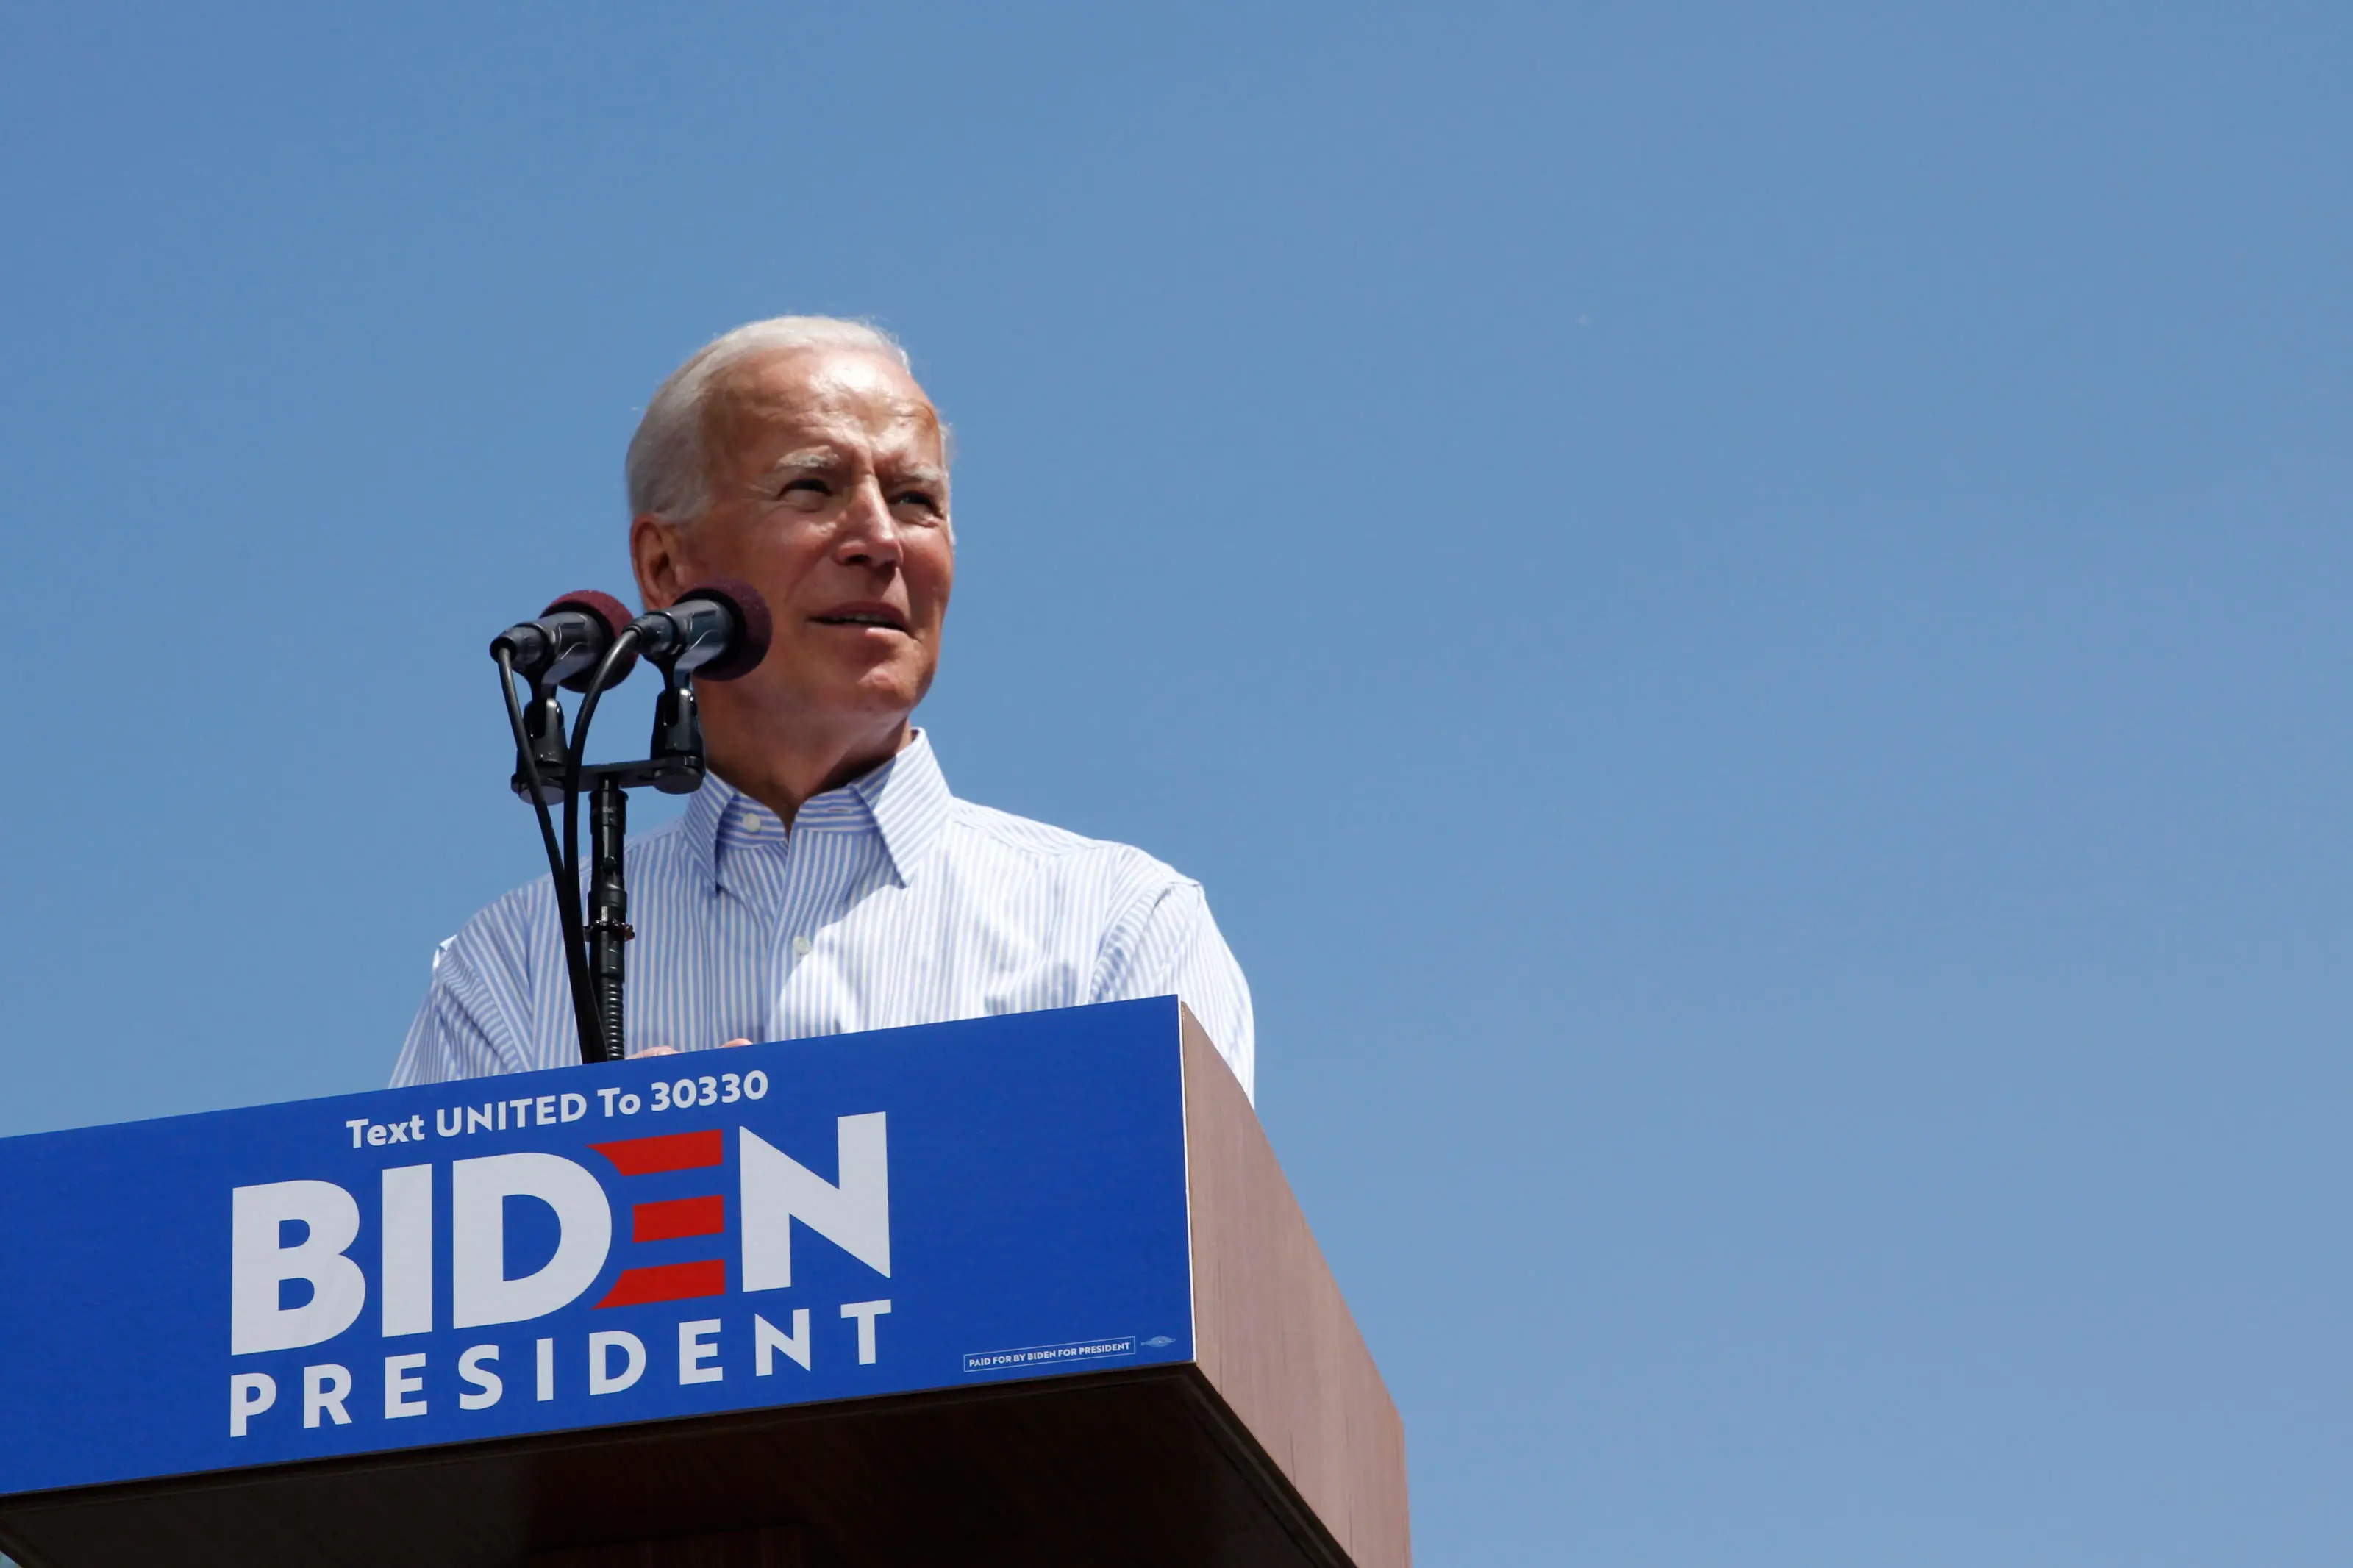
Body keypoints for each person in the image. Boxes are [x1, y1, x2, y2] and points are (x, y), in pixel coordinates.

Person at [391, 317, 1254, 1099]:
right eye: (811, 488)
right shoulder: (513, 970)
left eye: (917, 501)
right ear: (664, 568)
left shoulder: (1118, 932)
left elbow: (1178, 1257)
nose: (880, 540)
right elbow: (418, 1270)